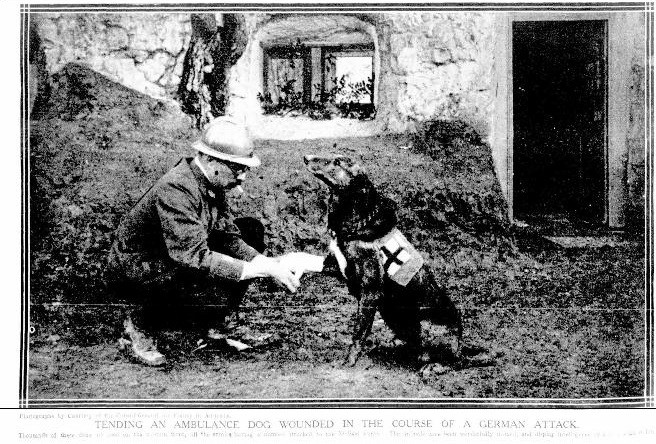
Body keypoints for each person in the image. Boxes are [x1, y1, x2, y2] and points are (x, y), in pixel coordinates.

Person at [106, 116, 303, 367]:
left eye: (245, 169)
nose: (242, 177)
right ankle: (137, 327)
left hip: (177, 254)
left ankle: (219, 323)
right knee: (181, 265)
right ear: (210, 159)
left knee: (250, 230)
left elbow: (228, 236)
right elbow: (192, 257)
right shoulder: (177, 187)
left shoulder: (212, 181)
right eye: (237, 168)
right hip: (138, 268)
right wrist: (259, 269)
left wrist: (265, 262)